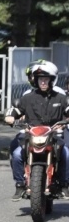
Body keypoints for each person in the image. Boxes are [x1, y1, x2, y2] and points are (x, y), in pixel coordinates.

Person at [4, 63, 69, 201]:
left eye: (46, 79)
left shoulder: (60, 98)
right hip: (31, 135)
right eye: (40, 79)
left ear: (52, 80)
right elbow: (16, 110)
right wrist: (9, 116)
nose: (43, 82)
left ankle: (64, 185)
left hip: (53, 135)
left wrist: (64, 123)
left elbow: (67, 110)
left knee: (66, 154)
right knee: (16, 155)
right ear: (36, 81)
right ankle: (20, 184)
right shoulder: (28, 97)